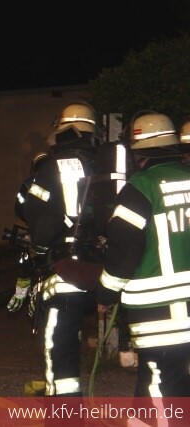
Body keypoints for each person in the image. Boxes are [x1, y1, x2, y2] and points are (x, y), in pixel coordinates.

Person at [97, 112, 190, 398]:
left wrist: (106, 293)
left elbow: (124, 248)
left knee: (158, 386)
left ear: (139, 154)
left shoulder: (139, 188)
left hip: (158, 312)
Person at [23, 102, 105, 398]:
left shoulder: (50, 169)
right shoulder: (104, 165)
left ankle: (64, 413)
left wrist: (38, 252)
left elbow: (36, 218)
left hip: (63, 274)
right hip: (100, 271)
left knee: (59, 348)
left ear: (63, 130)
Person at [6, 151, 49, 314]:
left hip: (35, 232)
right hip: (57, 233)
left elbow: (19, 208)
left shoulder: (28, 183)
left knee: (26, 262)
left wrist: (30, 220)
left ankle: (23, 294)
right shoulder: (58, 180)